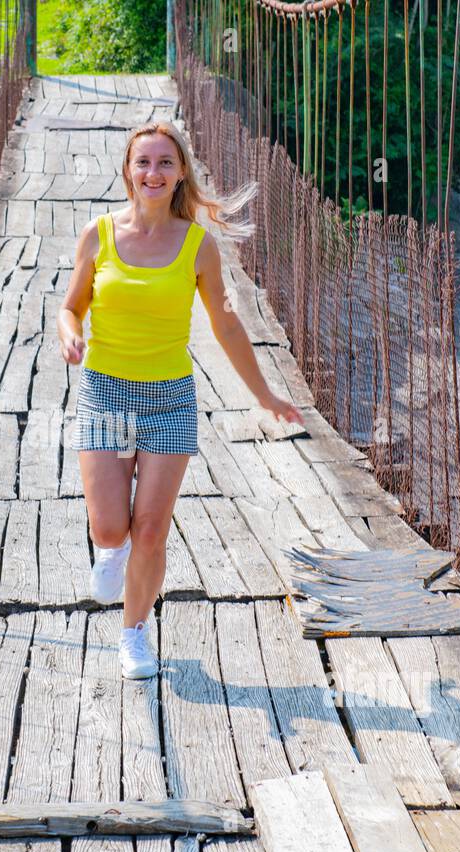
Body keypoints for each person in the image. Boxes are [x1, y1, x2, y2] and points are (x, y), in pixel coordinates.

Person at [56, 120, 304, 680]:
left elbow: (227, 324)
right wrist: (70, 332)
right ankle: (109, 552)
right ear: (127, 170)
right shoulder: (97, 235)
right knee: (111, 529)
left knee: (151, 528)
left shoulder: (199, 245)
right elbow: (70, 306)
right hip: (106, 394)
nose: (154, 172)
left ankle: (134, 634)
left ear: (182, 172)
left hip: (169, 397)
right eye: (143, 162)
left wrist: (264, 395)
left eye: (165, 162)